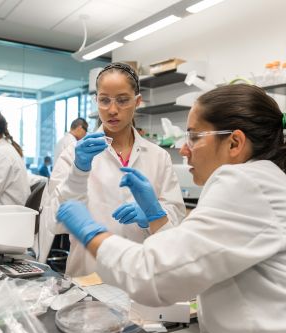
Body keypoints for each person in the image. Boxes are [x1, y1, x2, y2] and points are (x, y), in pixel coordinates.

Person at [55, 84, 286, 333]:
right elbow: (191, 258)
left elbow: (155, 275)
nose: (183, 149)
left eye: (194, 137)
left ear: (234, 143)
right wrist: (158, 219)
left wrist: (90, 231)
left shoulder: (245, 183)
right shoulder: (257, 180)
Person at [40, 62, 186, 274]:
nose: (112, 110)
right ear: (96, 101)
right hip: (89, 274)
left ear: (137, 102)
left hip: (142, 276)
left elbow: (175, 225)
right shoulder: (73, 154)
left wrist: (151, 215)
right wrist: (78, 172)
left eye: (123, 100)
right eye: (104, 100)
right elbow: (54, 222)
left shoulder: (158, 156)